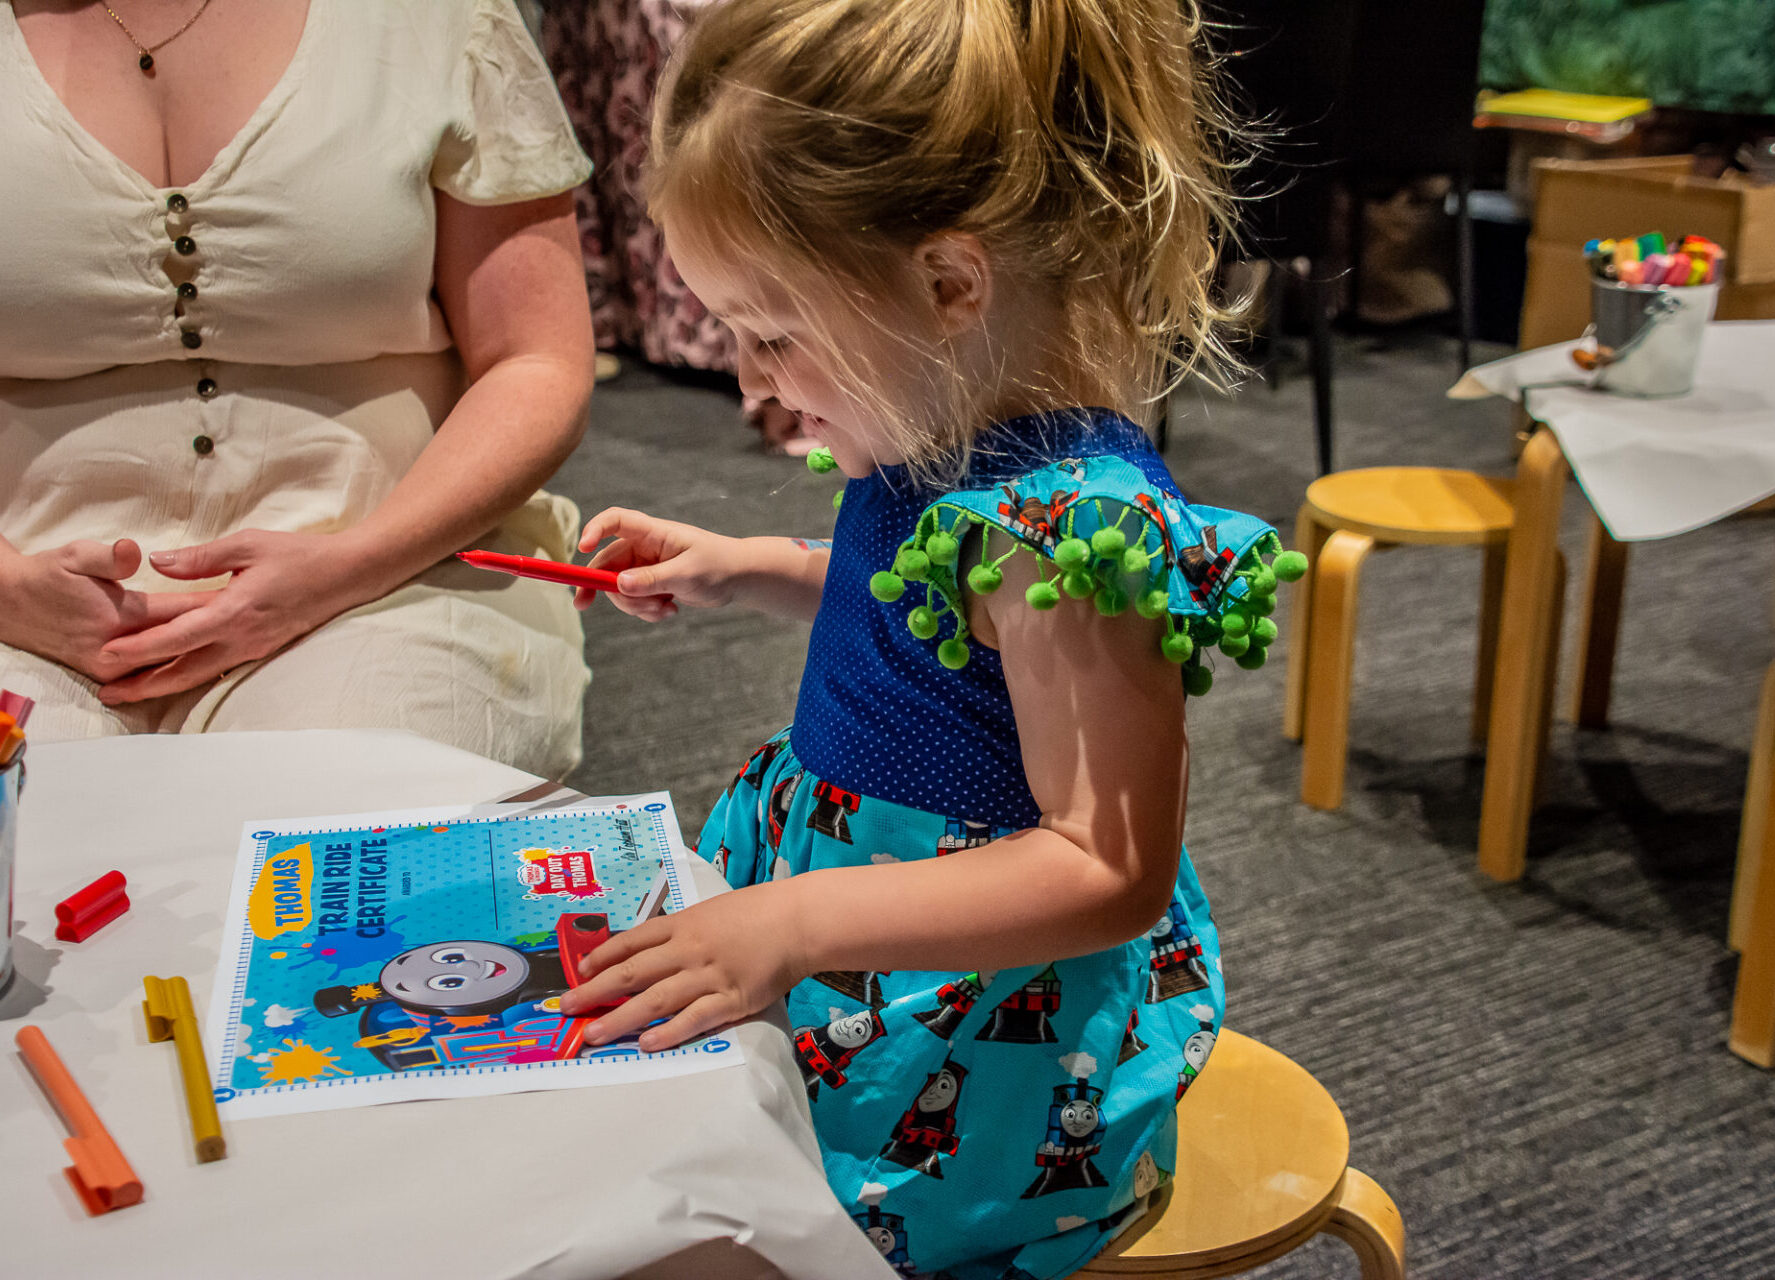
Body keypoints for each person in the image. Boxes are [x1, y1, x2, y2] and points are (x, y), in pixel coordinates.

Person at [558, 2, 1308, 1275]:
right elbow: (913, 621)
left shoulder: (1068, 534)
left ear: (951, 283)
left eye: (773, 332)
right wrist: (750, 569)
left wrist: (790, 926)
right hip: (861, 925)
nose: (750, 383)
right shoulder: (937, 438)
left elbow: (1103, 866)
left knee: (771, 1216)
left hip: (973, 1024)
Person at [0, 0, 594, 777]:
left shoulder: (436, 18)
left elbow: (535, 358)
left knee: (324, 845)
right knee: (13, 859)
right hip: (2, 595)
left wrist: (350, 564)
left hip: (390, 579)